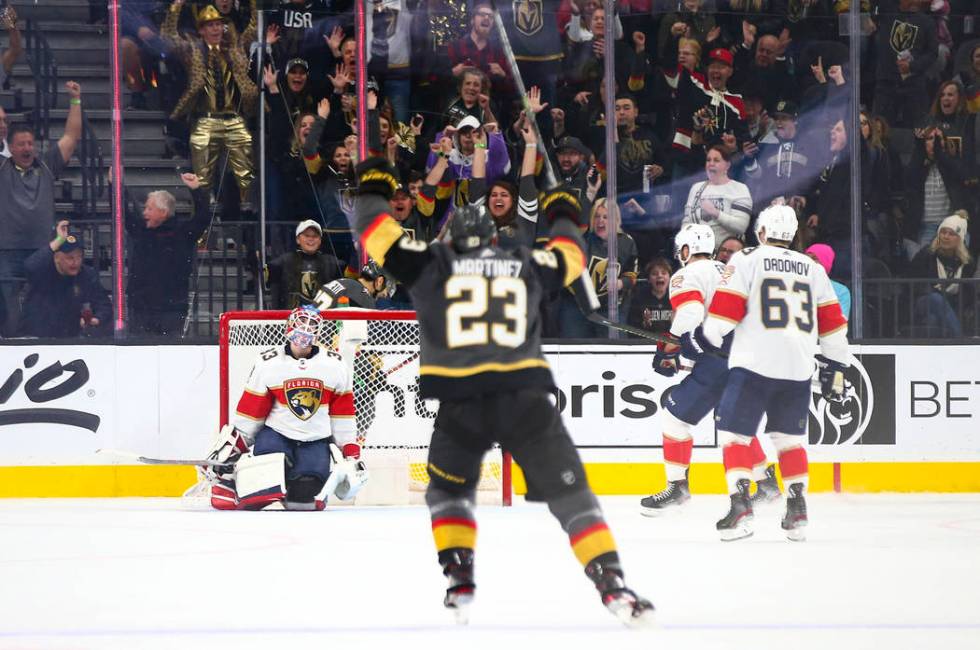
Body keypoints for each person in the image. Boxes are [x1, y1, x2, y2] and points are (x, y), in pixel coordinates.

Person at [351, 155, 655, 626]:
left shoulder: (432, 262)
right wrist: (561, 214)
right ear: (494, 238)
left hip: (460, 401)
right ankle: (611, 583)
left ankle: (459, 575)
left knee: (447, 495)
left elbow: (375, 231)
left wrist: (373, 188)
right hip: (525, 397)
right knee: (573, 499)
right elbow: (572, 259)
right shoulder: (523, 261)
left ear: (452, 237)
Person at [698, 204, 850, 541]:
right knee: (789, 441)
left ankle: (740, 506)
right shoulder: (813, 269)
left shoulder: (747, 259)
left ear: (762, 232)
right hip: (797, 366)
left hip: (754, 363)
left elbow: (725, 314)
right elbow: (833, 326)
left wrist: (700, 339)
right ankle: (797, 512)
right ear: (793, 235)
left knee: (735, 437)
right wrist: (837, 366)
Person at [640, 224, 777, 515]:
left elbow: (691, 315)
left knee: (674, 419)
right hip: (746, 356)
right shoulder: (729, 270)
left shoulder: (686, 274)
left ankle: (677, 487)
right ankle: (766, 482)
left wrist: (671, 345)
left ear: (686, 250)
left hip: (718, 360)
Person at [204, 305, 363, 511]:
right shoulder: (268, 363)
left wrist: (349, 449)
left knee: (303, 502)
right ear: (289, 327)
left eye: (311, 325)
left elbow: (342, 415)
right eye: (300, 323)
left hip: (315, 440)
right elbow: (252, 413)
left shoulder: (335, 365)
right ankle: (234, 484)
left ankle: (279, 488)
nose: (305, 329)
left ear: (318, 332)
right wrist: (229, 450)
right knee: (264, 482)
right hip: (277, 436)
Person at [0, 82, 83, 336]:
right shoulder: (1, 167)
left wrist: (75, 101)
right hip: (7, 250)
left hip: (42, 249)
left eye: (30, 143)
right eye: (21, 144)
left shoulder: (46, 165)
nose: (27, 148)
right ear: (10, 147)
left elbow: (71, 138)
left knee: (43, 299)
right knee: (7, 302)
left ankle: (40, 341)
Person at [162, 0, 258, 202]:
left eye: (218, 24)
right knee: (202, 174)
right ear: (202, 30)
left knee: (245, 173)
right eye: (210, 25)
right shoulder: (193, 51)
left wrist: (253, 3)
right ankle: (204, 211)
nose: (216, 29)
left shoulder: (235, 48)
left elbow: (253, 28)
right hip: (206, 119)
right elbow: (170, 37)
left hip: (234, 118)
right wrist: (176, 7)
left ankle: (242, 211)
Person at [125, 173, 211, 337]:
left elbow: (203, 217)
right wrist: (113, 186)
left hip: (172, 308)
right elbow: (122, 215)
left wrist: (196, 190)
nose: (144, 213)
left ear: (163, 212)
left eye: (149, 208)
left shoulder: (182, 233)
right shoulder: (142, 231)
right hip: (142, 307)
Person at [19, 221, 111, 339]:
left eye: (79, 257)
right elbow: (29, 266)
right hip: (37, 337)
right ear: (57, 258)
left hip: (70, 338)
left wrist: (96, 319)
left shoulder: (87, 274)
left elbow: (104, 305)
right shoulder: (43, 270)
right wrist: (57, 241)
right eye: (70, 258)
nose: (76, 262)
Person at [904, 211, 976, 337]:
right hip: (923, 302)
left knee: (933, 320)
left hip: (949, 307)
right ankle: (960, 342)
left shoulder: (967, 262)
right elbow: (912, 283)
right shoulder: (926, 255)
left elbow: (967, 292)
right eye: (943, 232)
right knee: (936, 299)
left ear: (960, 238)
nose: (946, 237)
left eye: (951, 234)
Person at [681, 144, 753, 246]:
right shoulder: (696, 188)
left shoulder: (740, 189)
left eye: (716, 160)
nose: (711, 163)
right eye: (708, 160)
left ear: (727, 165)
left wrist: (715, 213)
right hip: (699, 251)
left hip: (727, 253)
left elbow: (741, 227)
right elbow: (686, 222)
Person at [266, 220, 345, 309]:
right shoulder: (284, 261)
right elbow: (265, 276)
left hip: (325, 318)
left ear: (320, 240)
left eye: (315, 236)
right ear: (298, 239)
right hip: (292, 317)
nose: (311, 239)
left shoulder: (332, 262)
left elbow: (350, 281)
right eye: (307, 235)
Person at [314, 260, 389, 310]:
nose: (386, 293)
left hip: (308, 326)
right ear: (379, 281)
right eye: (387, 285)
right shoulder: (365, 298)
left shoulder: (346, 283)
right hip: (322, 331)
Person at [626, 258, 674, 336]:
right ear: (649, 279)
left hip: (671, 344)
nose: (659, 276)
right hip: (647, 345)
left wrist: (675, 324)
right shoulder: (639, 299)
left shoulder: (676, 297)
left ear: (669, 278)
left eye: (664, 273)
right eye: (654, 274)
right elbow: (631, 330)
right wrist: (645, 324)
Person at [806, 244, 851, 320]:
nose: (809, 262)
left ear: (825, 262)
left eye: (814, 258)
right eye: (806, 258)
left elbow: (839, 323)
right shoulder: (798, 284)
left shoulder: (840, 291)